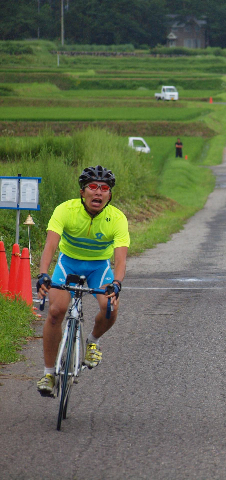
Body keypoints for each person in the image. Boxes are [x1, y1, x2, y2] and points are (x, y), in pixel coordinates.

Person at [35, 166, 129, 397]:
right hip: (69, 264)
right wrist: (43, 273)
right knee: (56, 311)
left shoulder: (117, 218)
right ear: (82, 192)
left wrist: (116, 283)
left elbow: (120, 259)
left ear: (110, 195)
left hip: (99, 266)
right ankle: (49, 374)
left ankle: (92, 341)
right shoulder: (65, 210)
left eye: (104, 188)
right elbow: (51, 245)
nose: (98, 193)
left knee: (110, 307)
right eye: (93, 187)